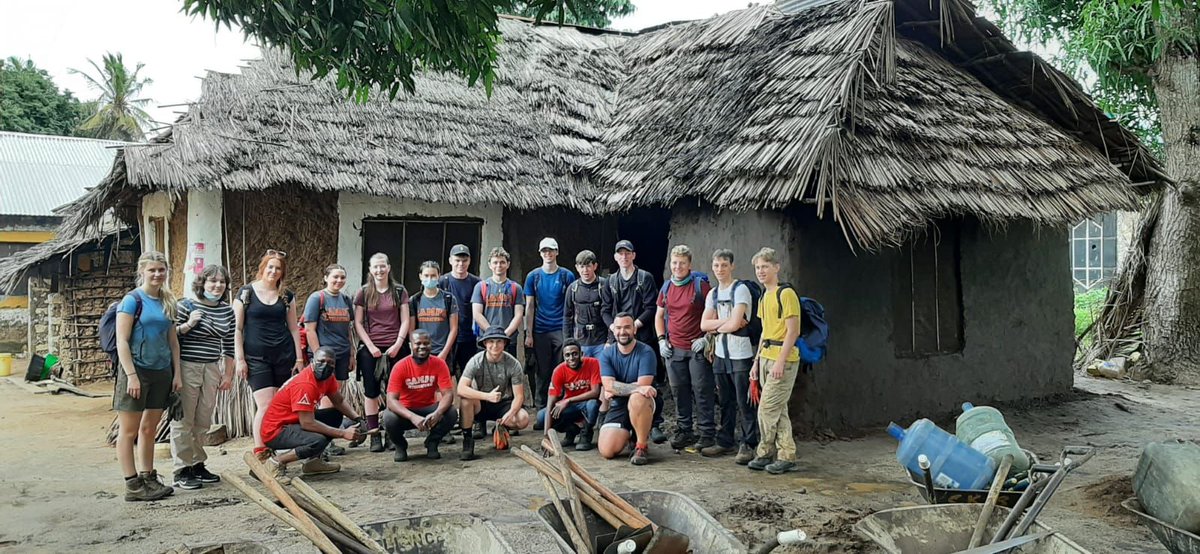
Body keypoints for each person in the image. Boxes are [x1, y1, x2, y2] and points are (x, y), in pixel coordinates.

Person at [114, 251, 182, 501]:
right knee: (129, 430)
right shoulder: (132, 300)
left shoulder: (168, 301)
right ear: (142, 271)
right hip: (137, 370)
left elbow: (173, 342)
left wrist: (177, 374)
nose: (157, 274)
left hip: (161, 371)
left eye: (161, 270)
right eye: (152, 270)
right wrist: (131, 375)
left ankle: (148, 477)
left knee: (149, 429)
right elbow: (122, 340)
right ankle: (132, 484)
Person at [170, 264, 236, 491]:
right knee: (184, 418)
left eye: (221, 282)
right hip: (187, 365)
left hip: (211, 366)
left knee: (204, 417)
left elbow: (229, 344)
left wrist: (228, 374)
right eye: (212, 281)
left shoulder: (227, 310)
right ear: (202, 283)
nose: (217, 286)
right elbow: (170, 336)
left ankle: (197, 462)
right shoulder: (186, 306)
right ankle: (181, 468)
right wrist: (188, 325)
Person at [234, 250, 304, 458]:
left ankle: (281, 445)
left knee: (281, 404)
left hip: (284, 355)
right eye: (270, 267)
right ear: (262, 268)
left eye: (278, 268)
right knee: (264, 404)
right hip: (256, 357)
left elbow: (293, 328)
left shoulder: (286, 295)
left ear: (283, 272)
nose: (273, 271)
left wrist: (299, 358)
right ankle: (261, 450)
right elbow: (237, 328)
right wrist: (240, 359)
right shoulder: (246, 293)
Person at [260, 347, 364, 480]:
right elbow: (307, 423)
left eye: (330, 363)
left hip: (293, 422)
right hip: (276, 431)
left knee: (334, 415)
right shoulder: (306, 383)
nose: (325, 366)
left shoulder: (328, 378)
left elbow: (339, 401)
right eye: (321, 361)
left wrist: (358, 419)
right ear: (312, 361)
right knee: (317, 440)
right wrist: (343, 433)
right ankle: (276, 462)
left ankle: (312, 463)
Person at [601, 240, 667, 444]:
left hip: (642, 334)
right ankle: (619, 421)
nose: (624, 257)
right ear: (615, 257)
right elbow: (605, 309)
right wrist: (614, 328)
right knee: (615, 377)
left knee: (647, 382)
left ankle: (653, 423)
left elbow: (651, 306)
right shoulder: (610, 281)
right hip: (619, 335)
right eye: (620, 254)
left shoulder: (644, 278)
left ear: (633, 255)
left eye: (627, 253)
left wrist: (635, 325)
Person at [699, 249, 758, 463]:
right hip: (721, 354)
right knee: (725, 400)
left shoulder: (740, 290)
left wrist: (718, 325)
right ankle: (725, 440)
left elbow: (734, 324)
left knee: (745, 400)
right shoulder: (713, 293)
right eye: (716, 265)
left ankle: (748, 443)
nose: (720, 269)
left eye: (724, 265)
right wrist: (728, 324)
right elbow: (704, 324)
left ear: (732, 266)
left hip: (741, 354)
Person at [655, 244, 715, 451]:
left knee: (701, 390)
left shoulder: (700, 286)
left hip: (697, 347)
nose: (678, 267)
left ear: (690, 264)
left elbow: (714, 313)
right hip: (674, 348)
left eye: (682, 263)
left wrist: (707, 337)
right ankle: (685, 430)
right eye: (674, 262)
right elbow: (659, 316)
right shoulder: (666, 287)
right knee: (679, 391)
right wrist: (661, 339)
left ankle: (707, 433)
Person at [748, 247, 802, 475]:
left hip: (784, 358)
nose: (761, 271)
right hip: (766, 357)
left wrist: (780, 361)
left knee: (767, 409)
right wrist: (756, 362)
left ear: (776, 268)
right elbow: (764, 332)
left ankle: (765, 450)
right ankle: (786, 454)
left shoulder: (786, 294)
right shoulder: (764, 295)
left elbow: (793, 331)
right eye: (758, 267)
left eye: (765, 267)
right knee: (779, 409)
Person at [353, 253, 411, 452]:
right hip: (371, 348)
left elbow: (405, 320)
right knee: (371, 391)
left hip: (396, 346)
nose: (379, 270)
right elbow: (358, 323)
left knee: (395, 391)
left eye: (382, 266)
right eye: (375, 267)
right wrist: (370, 347)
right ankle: (374, 433)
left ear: (388, 268)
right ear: (370, 269)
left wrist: (398, 344)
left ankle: (392, 433)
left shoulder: (399, 291)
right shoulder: (363, 292)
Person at [303, 264, 357, 456]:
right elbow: (310, 329)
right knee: (325, 396)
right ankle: (324, 440)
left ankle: (329, 437)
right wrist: (319, 356)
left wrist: (351, 353)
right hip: (325, 357)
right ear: (325, 278)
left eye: (342, 277)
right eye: (335, 277)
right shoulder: (317, 298)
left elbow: (349, 330)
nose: (339, 281)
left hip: (341, 355)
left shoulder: (345, 300)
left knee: (336, 395)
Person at [382, 330, 458, 462]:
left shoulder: (439, 364)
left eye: (426, 343)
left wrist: (438, 413)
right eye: (418, 343)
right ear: (411, 345)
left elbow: (448, 394)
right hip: (406, 411)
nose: (422, 346)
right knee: (388, 417)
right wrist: (412, 417)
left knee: (451, 412)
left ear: (431, 345)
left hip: (429, 409)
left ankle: (432, 442)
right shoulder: (400, 366)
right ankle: (400, 445)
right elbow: (391, 400)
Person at [457, 327, 530, 460]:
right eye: (490, 341)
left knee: (523, 418)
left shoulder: (513, 364)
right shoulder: (476, 361)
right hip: (481, 402)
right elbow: (460, 388)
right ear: (485, 344)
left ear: (504, 343)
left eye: (499, 341)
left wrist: (510, 413)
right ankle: (467, 439)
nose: (495, 345)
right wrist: (487, 396)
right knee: (465, 400)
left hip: (504, 403)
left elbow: (519, 396)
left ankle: (504, 427)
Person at [597, 313, 661, 465]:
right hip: (619, 404)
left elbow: (644, 386)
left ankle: (641, 445)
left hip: (643, 403)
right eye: (618, 328)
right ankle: (628, 435)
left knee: (638, 398)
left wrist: (616, 387)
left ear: (634, 330)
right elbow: (609, 385)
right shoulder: (607, 354)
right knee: (607, 451)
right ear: (613, 330)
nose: (622, 332)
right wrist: (631, 388)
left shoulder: (646, 352)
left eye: (627, 327)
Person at [524, 237, 576, 415]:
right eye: (544, 251)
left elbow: (572, 305)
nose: (548, 254)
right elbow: (530, 306)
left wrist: (571, 331)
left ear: (557, 252)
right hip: (540, 329)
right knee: (542, 370)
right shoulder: (533, 276)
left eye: (551, 250)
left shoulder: (566, 276)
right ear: (540, 253)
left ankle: (560, 405)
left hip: (561, 328)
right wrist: (528, 334)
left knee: (562, 367)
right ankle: (541, 407)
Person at [537, 340, 601, 451]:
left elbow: (595, 392)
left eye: (575, 354)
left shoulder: (593, 363)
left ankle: (586, 433)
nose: (571, 358)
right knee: (541, 417)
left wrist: (568, 400)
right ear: (563, 357)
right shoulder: (558, 371)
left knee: (593, 404)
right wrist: (547, 437)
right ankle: (571, 430)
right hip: (570, 408)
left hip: (586, 404)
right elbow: (550, 404)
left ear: (581, 354)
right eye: (567, 355)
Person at [471, 247, 525, 356]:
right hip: (485, 340)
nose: (498, 266)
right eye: (495, 262)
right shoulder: (481, 286)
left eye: (502, 262)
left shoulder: (516, 288)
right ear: (490, 265)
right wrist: (493, 334)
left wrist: (503, 336)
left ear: (508, 264)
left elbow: (518, 315)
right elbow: (477, 314)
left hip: (509, 341)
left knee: (508, 372)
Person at [439, 244, 481, 377]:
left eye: (464, 260)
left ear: (469, 261)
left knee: (468, 379)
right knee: (443, 380)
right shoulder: (441, 282)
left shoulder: (477, 283)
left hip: (469, 338)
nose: (461, 264)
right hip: (444, 340)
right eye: (457, 260)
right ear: (450, 260)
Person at [564, 250, 608, 359]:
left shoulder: (604, 285)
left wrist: (610, 340)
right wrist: (568, 343)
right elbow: (567, 317)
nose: (585, 270)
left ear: (595, 266)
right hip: (580, 342)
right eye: (582, 266)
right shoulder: (572, 289)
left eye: (588, 266)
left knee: (603, 373)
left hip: (601, 341)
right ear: (577, 267)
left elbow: (611, 312)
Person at [412, 261, 458, 362]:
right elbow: (411, 331)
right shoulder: (415, 300)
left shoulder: (448, 299)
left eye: (433, 275)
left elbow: (453, 329)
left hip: (443, 351)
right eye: (426, 275)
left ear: (439, 276)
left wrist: (444, 353)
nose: (429, 279)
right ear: (420, 276)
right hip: (421, 351)